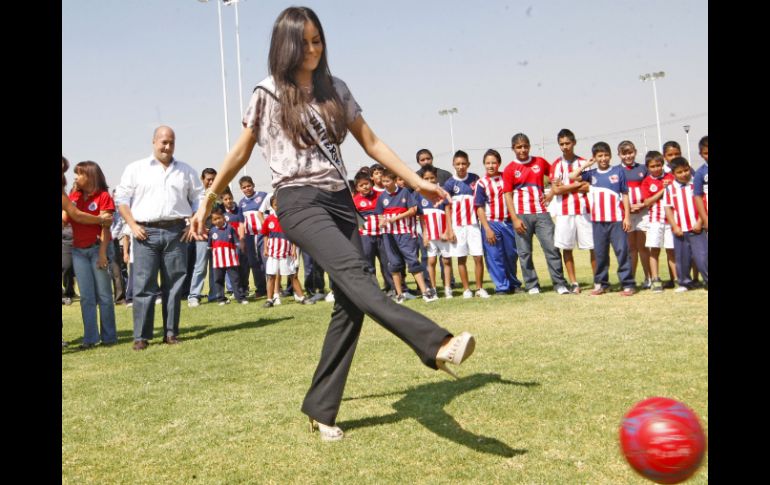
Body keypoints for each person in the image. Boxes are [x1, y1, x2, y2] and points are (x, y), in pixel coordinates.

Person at [190, 6, 474, 441]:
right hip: (297, 201)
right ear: (284, 46)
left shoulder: (336, 89)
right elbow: (240, 152)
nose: (312, 49)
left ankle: (320, 409)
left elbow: (372, 142)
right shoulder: (267, 93)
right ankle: (434, 344)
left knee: (349, 304)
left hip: (341, 201)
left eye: (317, 40)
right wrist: (208, 200)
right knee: (357, 273)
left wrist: (417, 181)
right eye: (302, 42)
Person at [115, 125, 203, 350]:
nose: (167, 146)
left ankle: (171, 333)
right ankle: (141, 337)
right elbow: (122, 198)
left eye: (171, 142)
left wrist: (193, 222)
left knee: (174, 285)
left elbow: (199, 198)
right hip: (145, 232)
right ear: (154, 142)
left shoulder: (186, 171)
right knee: (144, 285)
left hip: (176, 232)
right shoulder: (136, 169)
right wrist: (132, 225)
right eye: (163, 142)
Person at [502, 133, 570, 295]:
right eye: (519, 147)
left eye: (525, 146)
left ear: (529, 146)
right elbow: (507, 195)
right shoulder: (510, 169)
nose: (523, 149)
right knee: (525, 253)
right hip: (521, 216)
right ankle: (532, 285)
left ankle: (559, 283)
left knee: (552, 248)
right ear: (513, 149)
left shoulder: (539, 162)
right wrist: (515, 218)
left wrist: (551, 194)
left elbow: (556, 178)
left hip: (542, 214)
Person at [568, 142, 635, 296]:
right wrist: (586, 164)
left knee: (622, 251)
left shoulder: (618, 171)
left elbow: (625, 194)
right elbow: (572, 177)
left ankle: (628, 284)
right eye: (600, 156)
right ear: (595, 157)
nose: (603, 158)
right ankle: (601, 284)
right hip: (598, 220)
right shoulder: (592, 174)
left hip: (617, 219)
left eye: (606, 155)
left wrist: (627, 217)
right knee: (600, 253)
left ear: (610, 156)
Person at [63, 161, 118, 347]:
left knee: (104, 295)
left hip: (97, 249)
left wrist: (103, 253)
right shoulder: (74, 196)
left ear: (90, 176)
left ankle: (109, 337)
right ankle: (90, 339)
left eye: (79, 174)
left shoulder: (104, 197)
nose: (75, 177)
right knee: (86, 297)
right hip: (78, 251)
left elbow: (106, 228)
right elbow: (68, 217)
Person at [375, 169, 437, 303]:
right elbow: (380, 216)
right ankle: (400, 294)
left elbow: (414, 210)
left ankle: (425, 292)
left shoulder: (405, 193)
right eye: (383, 181)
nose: (384, 184)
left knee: (413, 261)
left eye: (387, 181)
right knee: (394, 264)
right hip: (389, 235)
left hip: (406, 234)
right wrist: (382, 223)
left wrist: (395, 218)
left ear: (394, 180)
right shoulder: (381, 197)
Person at [547, 129, 595, 293]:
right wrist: (575, 186)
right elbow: (556, 190)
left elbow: (588, 186)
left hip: (583, 210)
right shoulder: (556, 165)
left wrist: (565, 186)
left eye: (568, 143)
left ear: (574, 142)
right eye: (562, 144)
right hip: (564, 211)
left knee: (592, 246)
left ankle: (598, 280)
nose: (565, 147)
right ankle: (574, 282)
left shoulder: (583, 163)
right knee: (566, 248)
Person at [473, 149, 522, 295]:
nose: (491, 166)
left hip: (508, 222)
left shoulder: (506, 178)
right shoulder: (481, 183)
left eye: (494, 162)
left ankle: (513, 283)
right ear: (484, 164)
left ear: (499, 163)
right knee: (494, 256)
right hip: (492, 223)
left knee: (511, 255)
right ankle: (502, 287)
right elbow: (479, 207)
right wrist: (487, 228)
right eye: (488, 163)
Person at [444, 150, 488, 298]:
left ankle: (479, 289)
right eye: (458, 164)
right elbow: (447, 207)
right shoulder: (449, 183)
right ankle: (466, 290)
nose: (461, 166)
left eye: (464, 163)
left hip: (473, 225)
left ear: (468, 164)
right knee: (461, 258)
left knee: (478, 257)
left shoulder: (475, 179)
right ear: (453, 165)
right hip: (458, 226)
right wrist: (449, 229)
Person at [664, 157, 708, 291]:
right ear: (673, 173)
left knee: (702, 256)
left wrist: (700, 222)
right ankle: (684, 283)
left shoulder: (696, 185)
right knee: (682, 257)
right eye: (679, 172)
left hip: (697, 229)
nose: (684, 174)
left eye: (686, 170)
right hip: (680, 230)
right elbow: (668, 209)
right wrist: (674, 226)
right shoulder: (670, 189)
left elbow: (704, 205)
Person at [261, 196, 314, 306]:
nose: (278, 207)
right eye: (276, 205)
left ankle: (302, 298)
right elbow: (265, 234)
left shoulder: (288, 219)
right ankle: (269, 300)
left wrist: (294, 249)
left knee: (293, 275)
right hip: (273, 253)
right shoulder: (269, 219)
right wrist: (265, 248)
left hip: (286, 252)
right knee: (271, 276)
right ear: (272, 206)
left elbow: (293, 235)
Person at [352, 170, 396, 296]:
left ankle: (391, 287)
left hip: (382, 235)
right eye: (361, 185)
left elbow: (386, 211)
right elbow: (355, 219)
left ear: (371, 183)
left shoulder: (380, 196)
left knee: (386, 262)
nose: (365, 186)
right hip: (366, 236)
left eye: (367, 183)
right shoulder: (355, 200)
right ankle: (374, 291)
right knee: (368, 263)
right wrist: (364, 228)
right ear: (357, 188)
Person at [640, 151, 676, 293]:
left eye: (658, 165)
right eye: (652, 166)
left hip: (670, 220)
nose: (656, 168)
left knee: (671, 250)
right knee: (654, 250)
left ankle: (676, 279)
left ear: (663, 165)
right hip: (655, 220)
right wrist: (663, 189)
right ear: (648, 167)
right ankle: (655, 279)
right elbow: (647, 201)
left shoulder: (671, 177)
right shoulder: (647, 182)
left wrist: (670, 187)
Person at [617, 140, 651, 289]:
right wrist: (627, 208)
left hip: (644, 212)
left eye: (630, 152)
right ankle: (630, 280)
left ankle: (648, 278)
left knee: (643, 247)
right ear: (619, 155)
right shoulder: (616, 171)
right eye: (624, 153)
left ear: (635, 152)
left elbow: (651, 188)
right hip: (626, 215)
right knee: (631, 248)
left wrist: (644, 203)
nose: (628, 156)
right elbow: (615, 193)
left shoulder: (643, 168)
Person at [415, 166, 453, 298]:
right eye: (426, 179)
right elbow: (421, 217)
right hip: (430, 234)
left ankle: (448, 288)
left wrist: (448, 230)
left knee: (446, 260)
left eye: (432, 178)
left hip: (443, 233)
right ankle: (434, 288)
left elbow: (448, 211)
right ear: (422, 179)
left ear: (436, 178)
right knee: (431, 261)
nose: (430, 180)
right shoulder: (420, 195)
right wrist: (425, 234)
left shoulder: (442, 192)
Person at [188, 168, 219, 307]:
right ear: (202, 179)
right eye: (208, 179)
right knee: (200, 267)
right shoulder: (197, 195)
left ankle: (215, 295)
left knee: (215, 267)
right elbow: (192, 213)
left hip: (217, 235)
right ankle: (194, 296)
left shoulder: (218, 194)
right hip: (202, 235)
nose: (211, 182)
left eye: (213, 179)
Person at [237, 176, 269, 298]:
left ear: (253, 185)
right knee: (254, 262)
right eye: (244, 187)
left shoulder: (263, 196)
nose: (247, 189)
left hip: (263, 235)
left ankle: (274, 287)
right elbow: (241, 223)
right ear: (241, 189)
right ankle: (260, 289)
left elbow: (271, 212)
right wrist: (242, 239)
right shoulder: (241, 203)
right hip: (249, 237)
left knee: (267, 261)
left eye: (249, 186)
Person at [208, 207, 248, 305]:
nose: (217, 221)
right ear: (212, 221)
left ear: (224, 218)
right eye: (215, 219)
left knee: (235, 279)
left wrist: (240, 248)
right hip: (218, 261)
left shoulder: (230, 228)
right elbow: (210, 246)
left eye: (219, 218)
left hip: (231, 260)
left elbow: (237, 242)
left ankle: (241, 298)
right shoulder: (212, 231)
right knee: (218, 280)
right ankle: (221, 299)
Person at [692, 136, 708, 232]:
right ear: (701, 154)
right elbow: (698, 197)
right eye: (706, 153)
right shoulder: (700, 173)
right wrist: (705, 219)